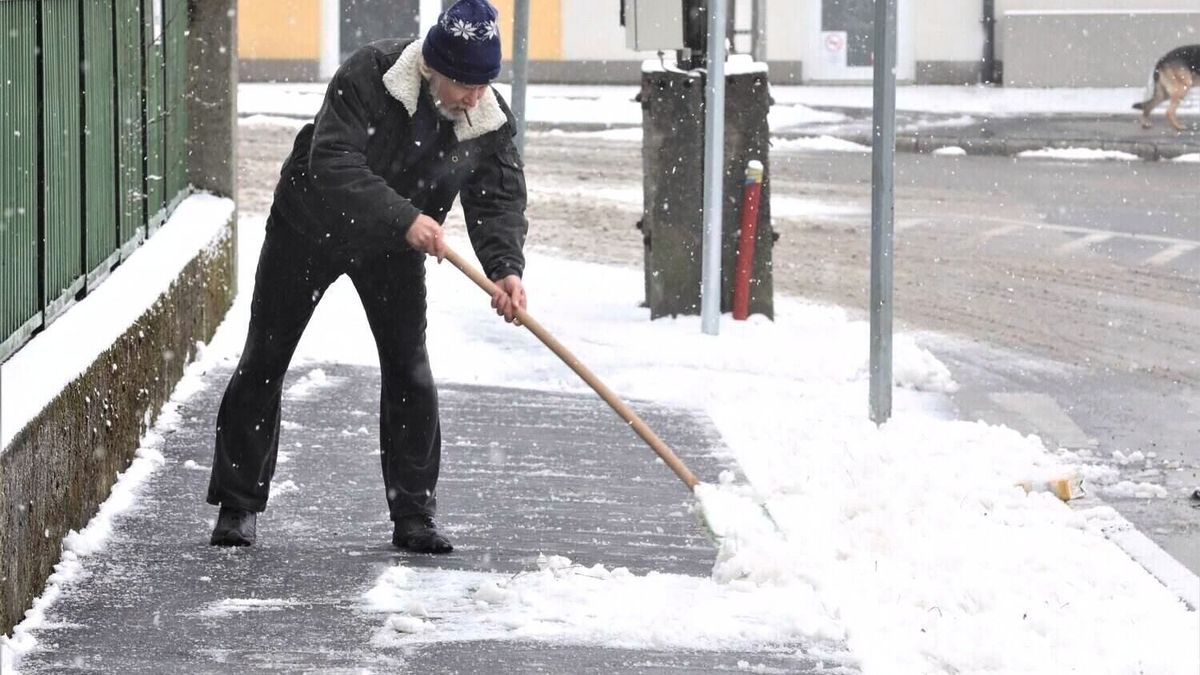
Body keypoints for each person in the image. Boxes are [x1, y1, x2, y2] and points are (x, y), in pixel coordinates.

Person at [206, 0, 527, 553]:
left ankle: (414, 514)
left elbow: (496, 199)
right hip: (308, 229)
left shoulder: (485, 116)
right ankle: (238, 506)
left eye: (484, 84)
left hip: (393, 248)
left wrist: (506, 268)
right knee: (265, 356)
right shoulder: (370, 75)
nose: (475, 97)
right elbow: (331, 161)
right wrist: (405, 217)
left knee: (409, 368)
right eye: (464, 84)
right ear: (432, 66)